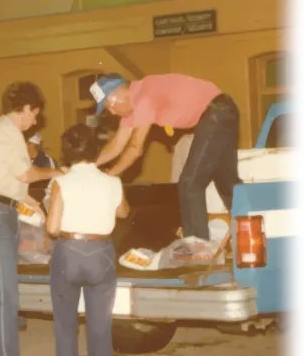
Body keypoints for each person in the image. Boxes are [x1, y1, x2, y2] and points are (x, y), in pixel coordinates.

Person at [0, 81, 59, 356]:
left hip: (0, 210)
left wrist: (29, 201)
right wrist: (60, 173)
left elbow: (12, 181)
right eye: (34, 113)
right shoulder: (6, 133)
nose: (34, 120)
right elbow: (26, 175)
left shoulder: (0, 132)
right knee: (6, 295)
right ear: (24, 108)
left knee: (4, 293)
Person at [91, 73, 239, 247]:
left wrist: (108, 175)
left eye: (110, 105)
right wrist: (87, 166)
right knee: (227, 184)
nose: (112, 112)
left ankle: (198, 248)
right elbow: (116, 145)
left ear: (121, 92)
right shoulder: (134, 105)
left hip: (217, 112)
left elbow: (134, 148)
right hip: (221, 112)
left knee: (189, 184)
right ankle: (254, 232)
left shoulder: (144, 98)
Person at [46, 124, 130, 356]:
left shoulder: (62, 182)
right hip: (102, 253)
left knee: (65, 324)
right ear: (96, 149)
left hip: (69, 251)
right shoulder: (111, 181)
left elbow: (53, 227)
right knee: (100, 326)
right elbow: (123, 212)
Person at [26, 132, 57, 207]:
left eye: (28, 143)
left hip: (41, 201)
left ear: (34, 145)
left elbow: (51, 184)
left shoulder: (47, 161)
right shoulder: (20, 160)